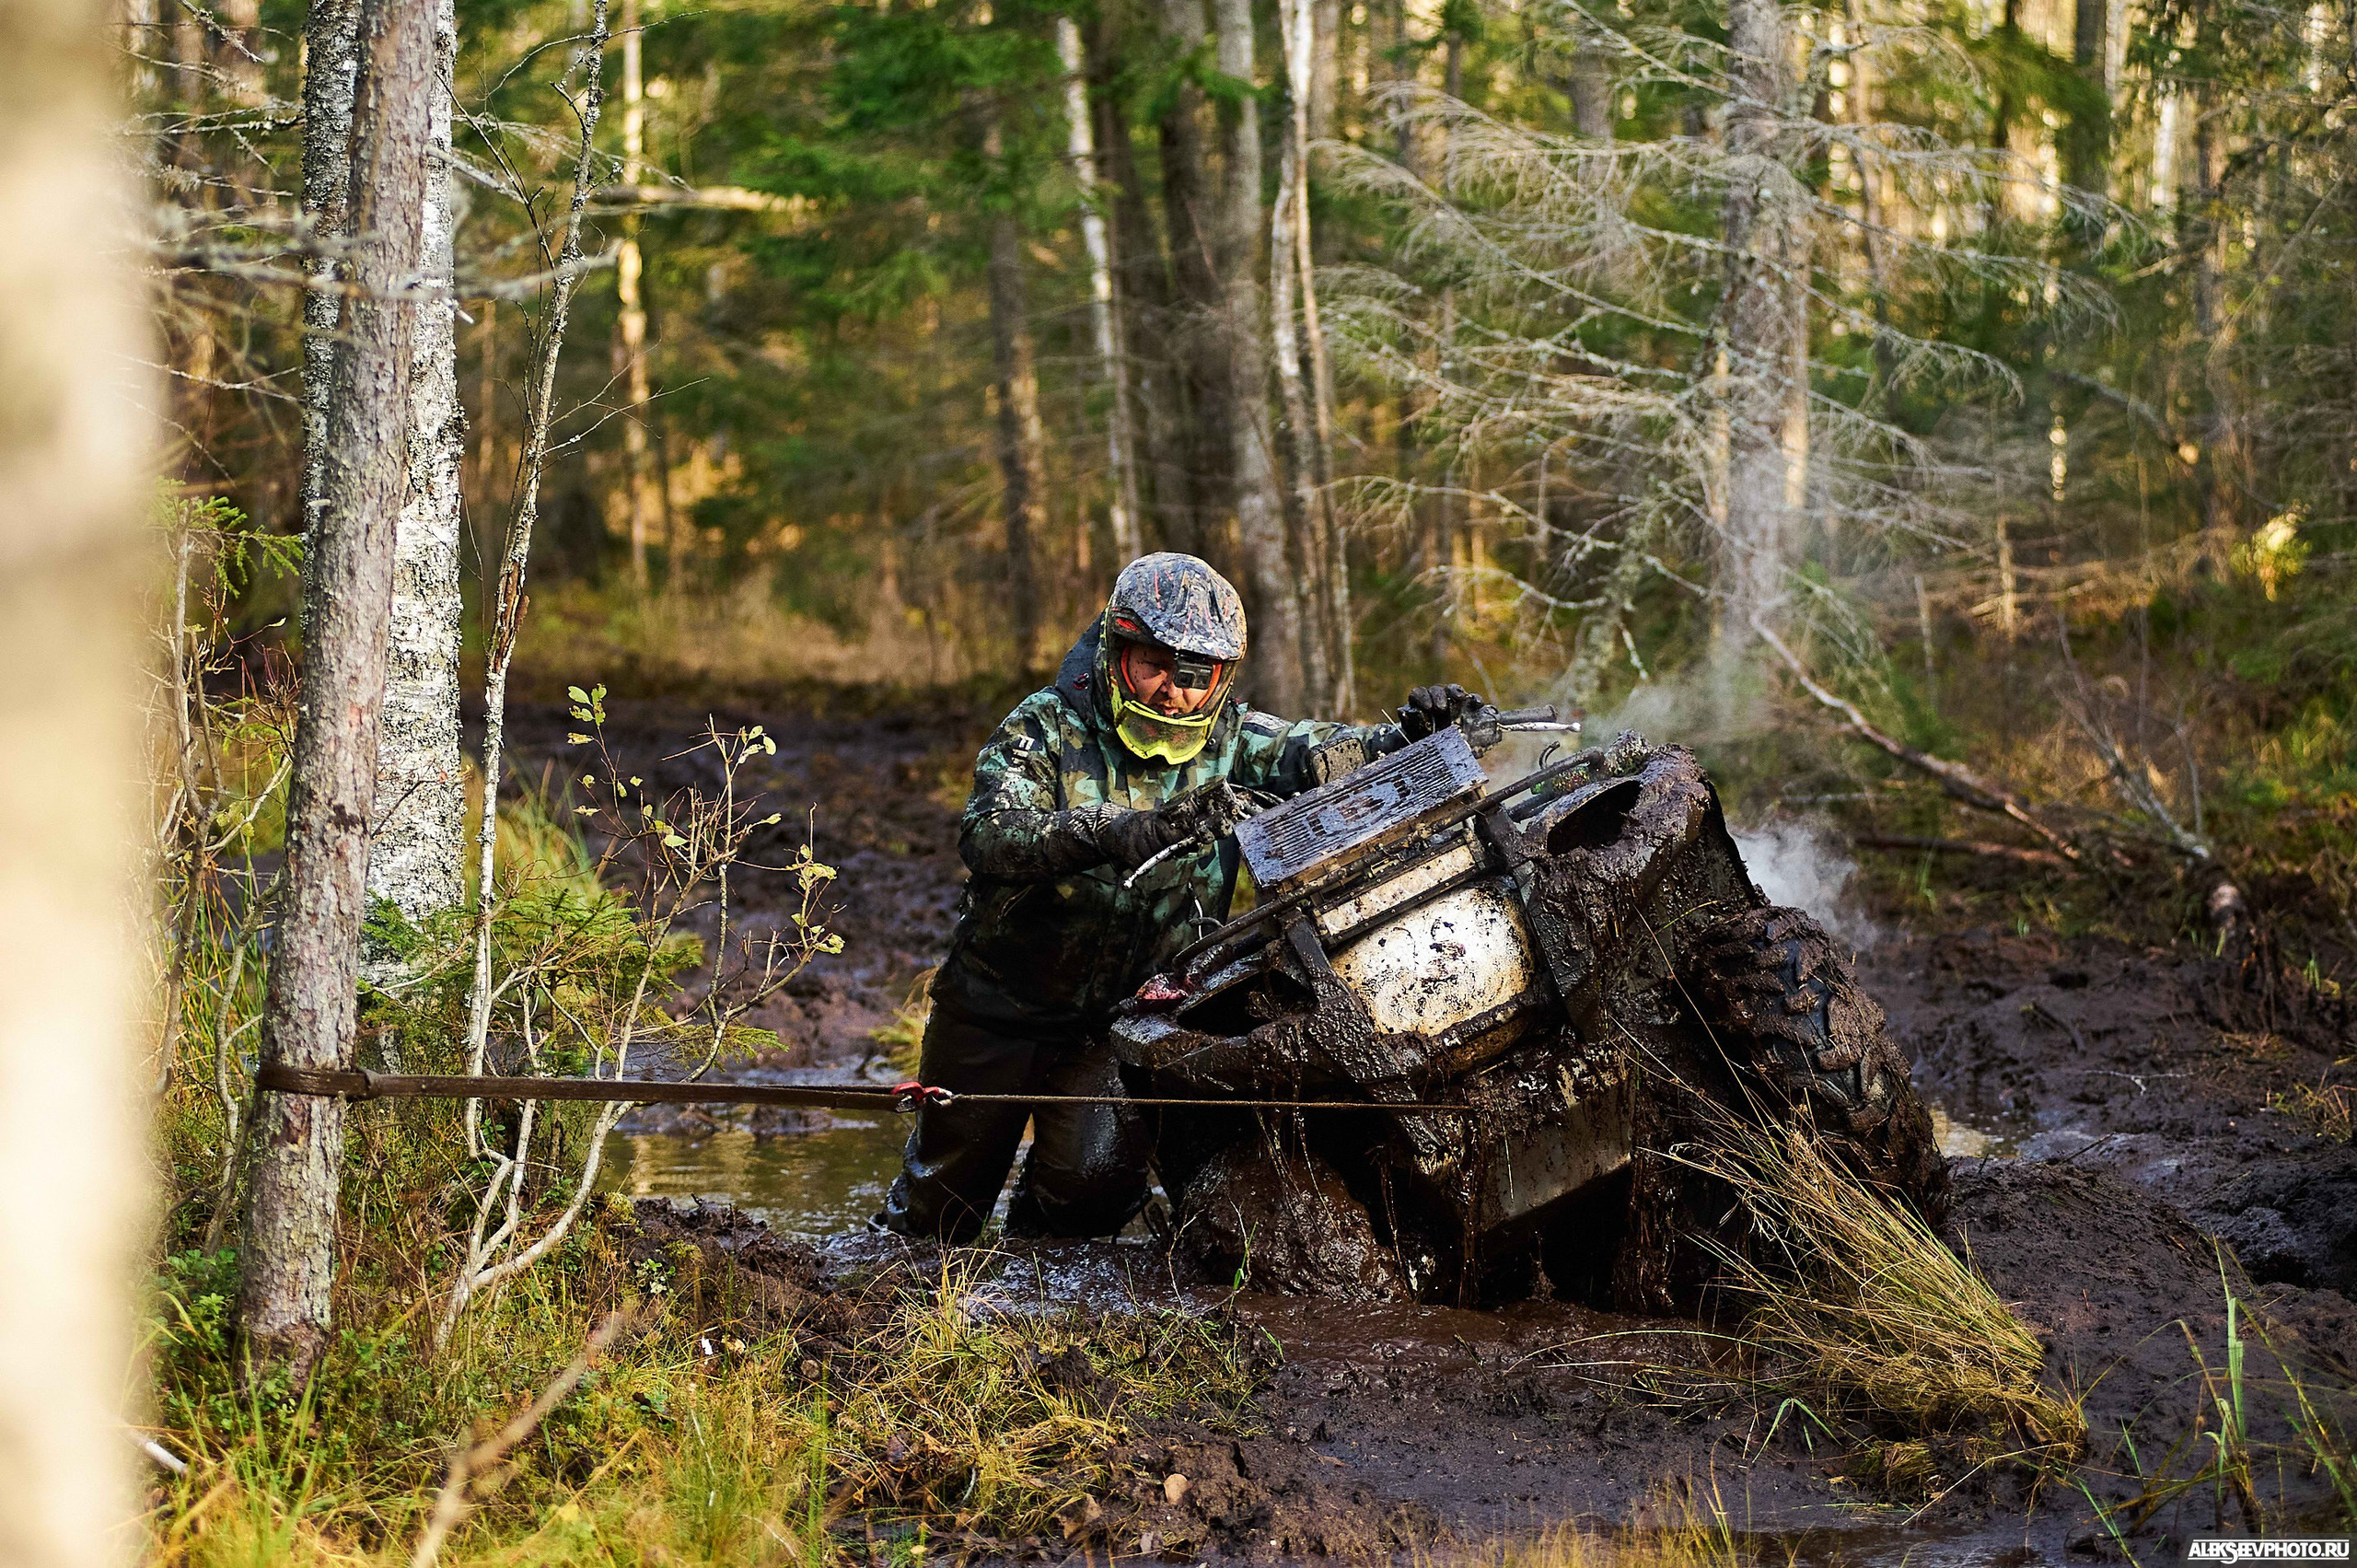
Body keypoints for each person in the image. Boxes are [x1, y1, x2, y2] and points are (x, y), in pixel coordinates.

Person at [878, 552, 1493, 1241]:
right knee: (941, 1204)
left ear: (1222, 680)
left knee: (1092, 1192)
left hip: (1114, 1021)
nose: (1172, 691)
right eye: (1154, 665)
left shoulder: (1235, 741)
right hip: (998, 1007)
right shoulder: (1045, 726)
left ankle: (1027, 1299)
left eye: (1195, 675)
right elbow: (990, 833)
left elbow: (1326, 751)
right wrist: (1114, 831)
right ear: (1117, 652)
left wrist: (1418, 731)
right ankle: (894, 1301)